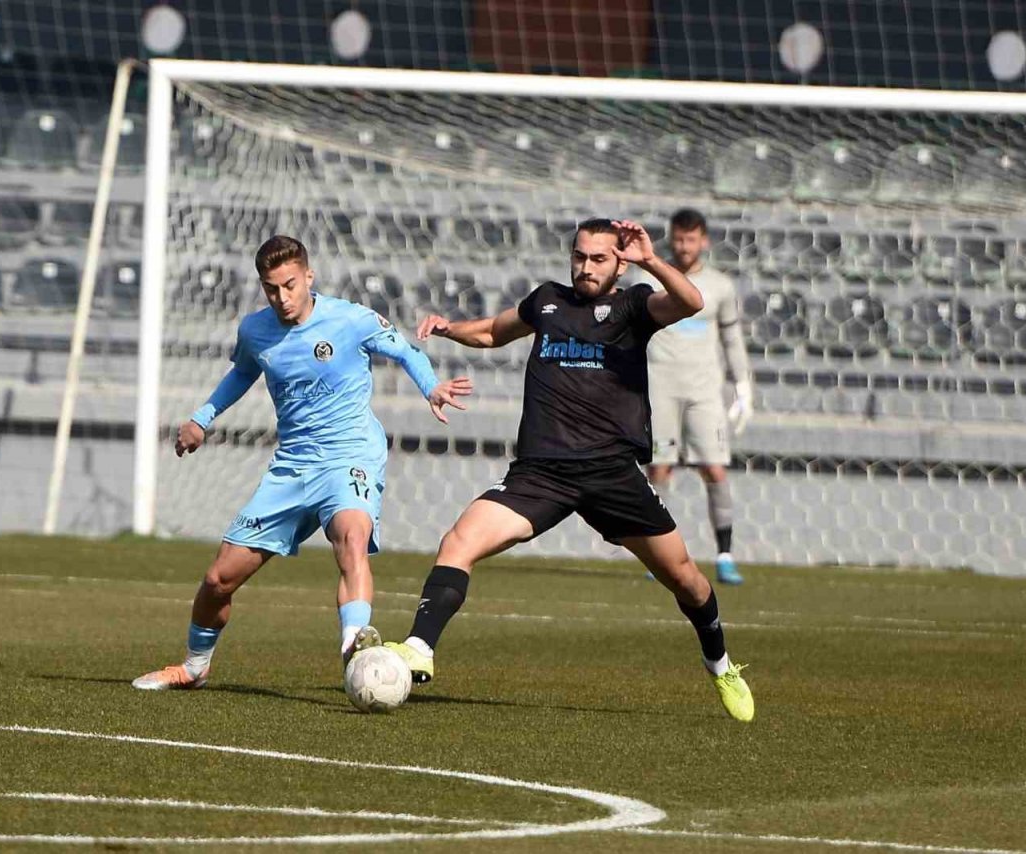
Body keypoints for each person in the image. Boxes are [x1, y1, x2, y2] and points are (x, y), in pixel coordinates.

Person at [383, 218, 754, 722]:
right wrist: (450, 329)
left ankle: (721, 664)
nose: (585, 267)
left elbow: (691, 303)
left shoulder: (633, 305)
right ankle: (419, 649)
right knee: (458, 541)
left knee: (687, 581)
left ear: (618, 263)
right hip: (542, 473)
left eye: (598, 258)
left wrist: (650, 260)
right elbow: (494, 331)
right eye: (579, 256)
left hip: (611, 474)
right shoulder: (547, 301)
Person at [133, 235, 473, 690]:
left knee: (352, 537)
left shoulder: (349, 319)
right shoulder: (255, 331)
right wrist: (201, 418)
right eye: (271, 288)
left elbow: (405, 350)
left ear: (308, 277)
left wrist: (431, 386)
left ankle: (356, 648)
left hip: (350, 453)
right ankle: (195, 667)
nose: (282, 297)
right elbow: (242, 373)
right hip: (293, 465)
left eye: (290, 285)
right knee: (219, 579)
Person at [646, 208, 753, 586]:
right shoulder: (648, 279)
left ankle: (724, 556)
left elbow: (732, 339)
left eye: (691, 239)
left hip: (705, 391)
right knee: (659, 469)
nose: (684, 246)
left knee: (714, 468)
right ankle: (656, 555)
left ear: (703, 241)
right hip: (659, 387)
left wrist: (742, 386)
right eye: (678, 239)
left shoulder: (720, 286)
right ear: (670, 238)